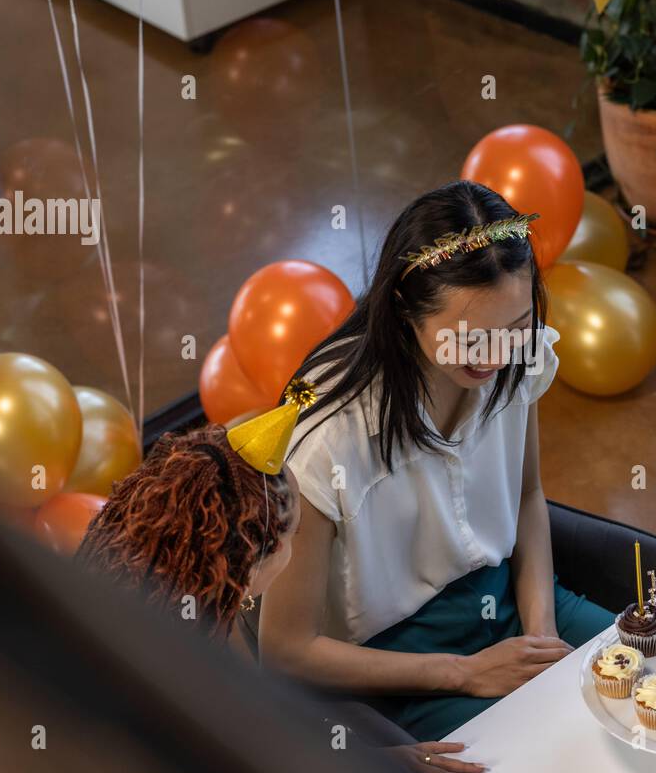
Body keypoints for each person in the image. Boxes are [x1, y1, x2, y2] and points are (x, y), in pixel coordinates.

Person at [262, 180, 613, 742]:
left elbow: (526, 497)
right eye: (470, 339)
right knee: (554, 754)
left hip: (515, 598)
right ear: (404, 309)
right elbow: (285, 649)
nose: (498, 358)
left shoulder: (513, 358)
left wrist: (541, 638)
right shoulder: (326, 440)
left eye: (516, 329)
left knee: (651, 678)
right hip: (399, 665)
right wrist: (467, 673)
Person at [74, 422, 483, 773]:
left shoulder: (178, 601)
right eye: (294, 535)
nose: (298, 547)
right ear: (251, 557)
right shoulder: (177, 671)